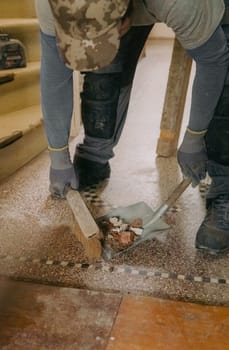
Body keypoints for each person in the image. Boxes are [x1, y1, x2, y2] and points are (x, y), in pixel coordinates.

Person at [35, 0, 229, 255]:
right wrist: (58, 157)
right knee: (102, 65)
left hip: (195, 10)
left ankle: (225, 184)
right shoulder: (50, 4)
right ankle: (95, 153)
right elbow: (54, 71)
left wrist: (194, 136)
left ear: (125, 20)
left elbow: (214, 60)